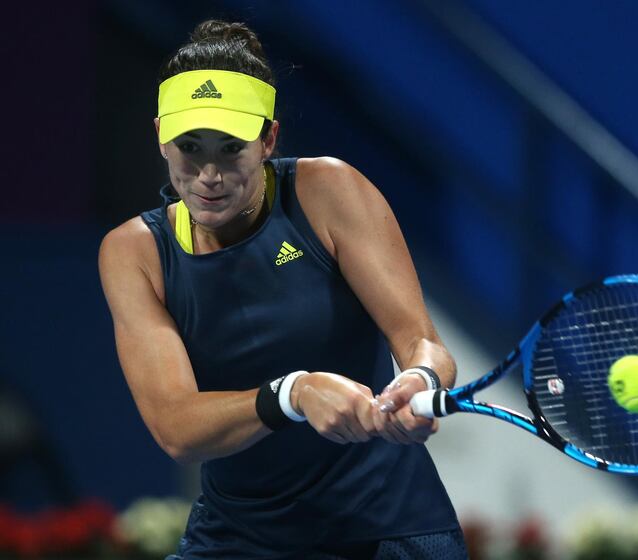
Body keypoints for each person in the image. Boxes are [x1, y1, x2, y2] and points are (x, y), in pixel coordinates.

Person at [98, 19, 466, 560]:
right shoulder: (135, 252)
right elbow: (176, 427)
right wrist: (292, 393)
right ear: (160, 136)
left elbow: (422, 341)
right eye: (189, 147)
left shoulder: (329, 190)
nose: (208, 174)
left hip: (389, 533)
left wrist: (420, 377)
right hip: (235, 539)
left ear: (268, 138)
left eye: (230, 148)